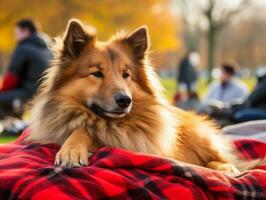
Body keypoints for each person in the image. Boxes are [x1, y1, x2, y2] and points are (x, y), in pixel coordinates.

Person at [0, 18, 51, 117]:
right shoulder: (49, 48)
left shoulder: (23, 48)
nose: (15, 38)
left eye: (16, 34)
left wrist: (2, 91)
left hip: (29, 94)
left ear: (26, 31)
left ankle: (11, 121)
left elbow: (11, 78)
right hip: (45, 95)